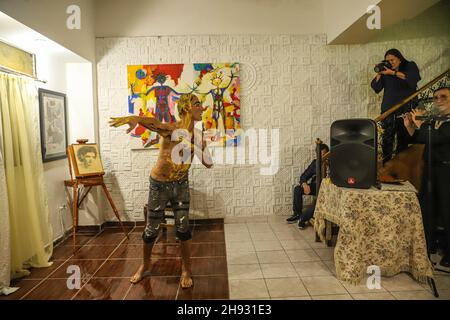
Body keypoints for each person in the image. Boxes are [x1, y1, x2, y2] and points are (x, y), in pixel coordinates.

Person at [109, 93, 213, 288]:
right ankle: (145, 265)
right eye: (197, 104)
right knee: (151, 229)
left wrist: (197, 147)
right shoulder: (173, 129)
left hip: (180, 185)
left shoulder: (198, 136)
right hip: (159, 185)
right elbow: (154, 123)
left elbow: (209, 164)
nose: (202, 107)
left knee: (183, 229)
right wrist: (137, 119)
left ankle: (186, 269)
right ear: (186, 108)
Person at [402, 86, 450, 268]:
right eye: (436, 97)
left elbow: (437, 138)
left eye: (443, 96)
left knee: (447, 212)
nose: (438, 100)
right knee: (427, 209)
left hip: (447, 171)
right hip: (431, 170)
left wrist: (420, 123)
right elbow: (422, 139)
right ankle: (426, 249)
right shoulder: (436, 119)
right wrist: (410, 126)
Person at [371, 48, 421, 164]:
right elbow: (376, 88)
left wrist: (393, 73)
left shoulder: (409, 66)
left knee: (403, 138)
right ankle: (386, 165)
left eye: (392, 60)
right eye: (387, 60)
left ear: (399, 58)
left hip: (406, 108)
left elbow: (413, 79)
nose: (390, 62)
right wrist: (380, 72)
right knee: (387, 138)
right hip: (388, 110)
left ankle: (400, 165)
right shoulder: (386, 71)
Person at [286, 144, 329, 229]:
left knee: (317, 202)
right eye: (319, 154)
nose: (322, 157)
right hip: (315, 186)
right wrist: (304, 184)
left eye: (324, 154)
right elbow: (304, 176)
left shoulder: (332, 163)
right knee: (297, 189)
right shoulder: (315, 163)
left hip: (326, 189)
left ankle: (303, 218)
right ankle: (297, 214)